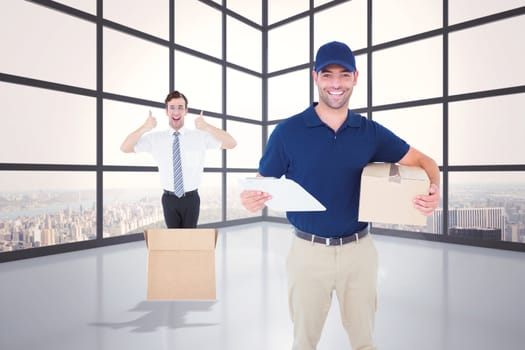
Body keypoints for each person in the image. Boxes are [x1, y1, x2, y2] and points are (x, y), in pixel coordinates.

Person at [240, 41, 440, 350]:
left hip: (359, 252)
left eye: (344, 75)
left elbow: (425, 162)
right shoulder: (288, 132)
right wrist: (251, 196)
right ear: (315, 77)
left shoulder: (369, 132)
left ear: (356, 78)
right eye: (328, 74)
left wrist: (434, 190)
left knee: (364, 343)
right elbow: (263, 181)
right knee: (303, 343)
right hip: (307, 253)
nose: (336, 83)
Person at [121, 90, 237, 228]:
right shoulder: (155, 138)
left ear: (186, 111)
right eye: (172, 108)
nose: (176, 112)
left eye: (180, 107)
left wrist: (207, 126)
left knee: (189, 243)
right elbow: (125, 147)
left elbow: (231, 143)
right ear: (166, 111)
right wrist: (144, 128)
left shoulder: (199, 136)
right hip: (169, 199)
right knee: (173, 243)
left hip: (191, 199)